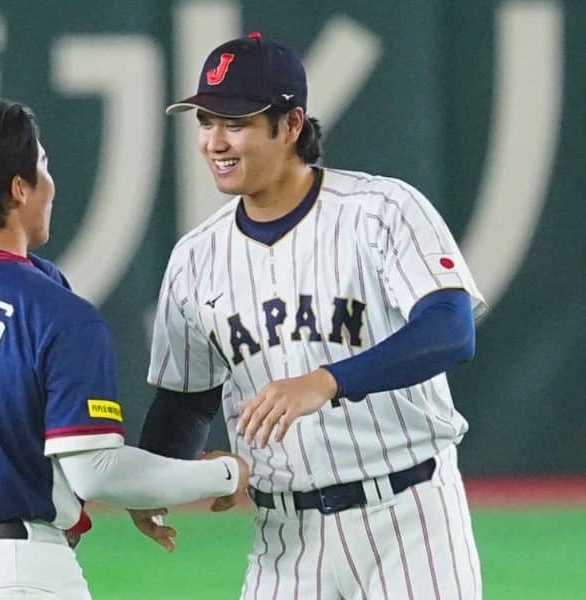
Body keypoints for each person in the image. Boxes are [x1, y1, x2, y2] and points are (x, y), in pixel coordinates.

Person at [0, 99, 248, 600]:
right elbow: (95, 472)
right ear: (19, 188)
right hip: (20, 572)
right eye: (43, 166)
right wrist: (224, 473)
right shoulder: (57, 312)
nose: (50, 183)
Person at [131, 33, 485, 599]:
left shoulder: (381, 210)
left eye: (236, 122)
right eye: (205, 120)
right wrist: (154, 482)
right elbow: (186, 399)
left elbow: (449, 327)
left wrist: (326, 382)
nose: (214, 142)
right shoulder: (195, 258)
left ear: (292, 124)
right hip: (286, 538)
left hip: (411, 516)